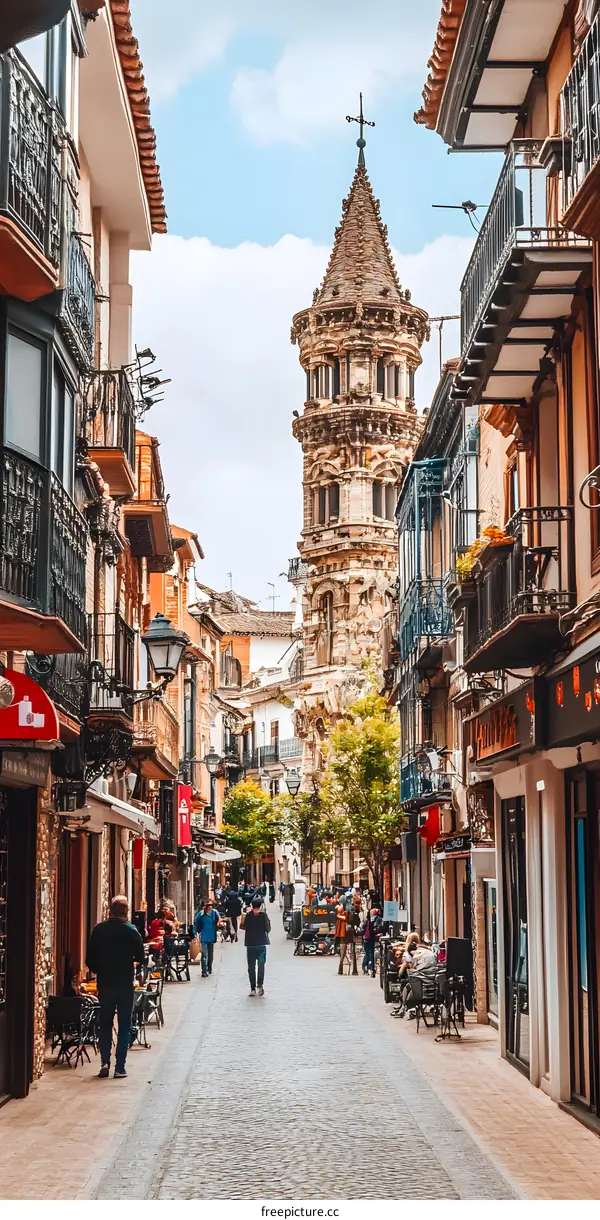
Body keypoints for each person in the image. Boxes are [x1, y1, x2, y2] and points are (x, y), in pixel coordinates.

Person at [86, 894, 145, 1079]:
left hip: (105, 984)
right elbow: (141, 957)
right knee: (125, 1024)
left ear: (110, 911)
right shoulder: (131, 930)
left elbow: (90, 960)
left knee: (104, 1023)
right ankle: (120, 1067)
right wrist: (131, 963)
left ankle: (104, 1062)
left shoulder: (99, 930)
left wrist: (99, 969)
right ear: (126, 912)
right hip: (125, 984)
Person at [241, 896, 271, 996]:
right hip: (261, 944)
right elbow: (268, 929)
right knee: (261, 966)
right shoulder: (264, 915)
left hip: (250, 944)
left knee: (251, 967)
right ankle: (260, 986)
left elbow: (244, 926)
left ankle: (252, 988)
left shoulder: (248, 915)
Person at [194, 900, 220, 977]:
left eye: (211, 905)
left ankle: (209, 968)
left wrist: (219, 924)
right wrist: (195, 932)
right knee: (204, 954)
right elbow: (196, 922)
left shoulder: (214, 913)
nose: (210, 907)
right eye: (208, 905)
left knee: (210, 955)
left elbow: (219, 921)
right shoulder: (201, 914)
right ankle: (204, 970)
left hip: (212, 936)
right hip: (204, 937)